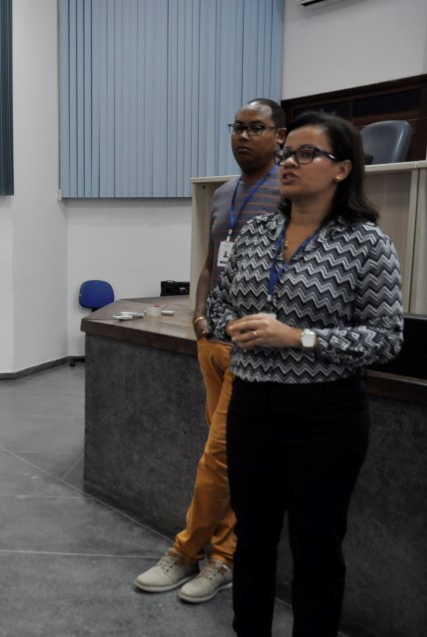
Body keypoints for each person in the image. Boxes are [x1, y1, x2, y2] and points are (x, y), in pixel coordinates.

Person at [208, 112, 403, 637]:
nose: (288, 162)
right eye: (286, 153)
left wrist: (299, 337)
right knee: (254, 538)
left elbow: (386, 338)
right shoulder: (255, 234)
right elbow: (219, 306)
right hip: (252, 405)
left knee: (317, 549)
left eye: (305, 153)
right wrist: (230, 325)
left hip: (325, 414)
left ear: (342, 169)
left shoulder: (367, 244)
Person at [135, 99, 285, 603]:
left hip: (252, 350)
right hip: (212, 344)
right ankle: (224, 557)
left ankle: (186, 551)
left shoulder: (289, 191)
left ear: (280, 136)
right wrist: (198, 315)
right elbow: (209, 262)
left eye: (256, 128)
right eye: (237, 127)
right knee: (230, 459)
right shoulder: (223, 194)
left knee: (219, 459)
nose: (243, 136)